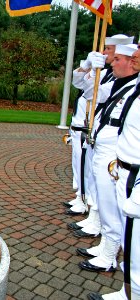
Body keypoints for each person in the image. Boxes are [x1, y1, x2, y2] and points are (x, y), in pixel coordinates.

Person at [77, 44, 138, 273]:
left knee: (112, 207)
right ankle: (105, 248)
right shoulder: (116, 83)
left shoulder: (134, 87)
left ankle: (109, 256)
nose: (112, 62)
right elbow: (89, 92)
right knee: (104, 201)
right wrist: (90, 69)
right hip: (105, 149)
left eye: (117, 58)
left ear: (131, 62)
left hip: (116, 155)